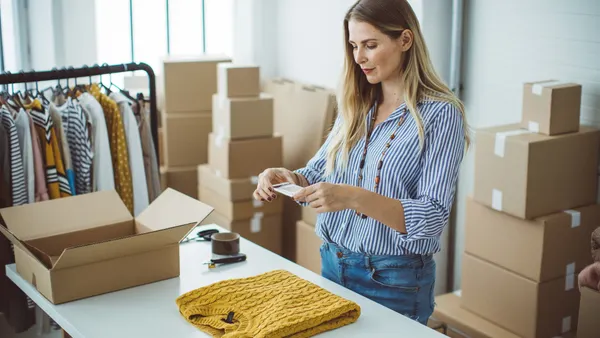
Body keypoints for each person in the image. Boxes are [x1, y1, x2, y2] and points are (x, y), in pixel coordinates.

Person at [253, 0, 469, 325]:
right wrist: (287, 178)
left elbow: (431, 218)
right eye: (354, 46)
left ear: (405, 41)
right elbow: (316, 174)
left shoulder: (441, 115)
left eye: (370, 45)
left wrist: (352, 197)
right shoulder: (357, 104)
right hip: (332, 265)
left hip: (394, 281)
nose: (359, 57)